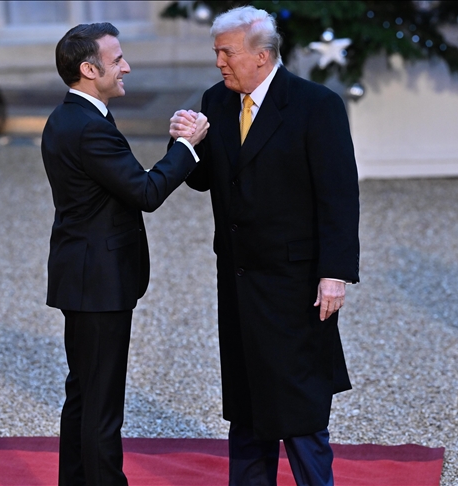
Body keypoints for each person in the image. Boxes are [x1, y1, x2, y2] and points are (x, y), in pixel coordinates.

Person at [169, 6, 360, 485]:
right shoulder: (216, 100)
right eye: (216, 52)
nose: (219, 62)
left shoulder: (317, 105)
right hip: (237, 279)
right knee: (248, 408)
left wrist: (334, 273)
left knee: (298, 410)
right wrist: (188, 146)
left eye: (226, 52)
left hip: (294, 283)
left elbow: (339, 196)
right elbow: (209, 179)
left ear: (261, 55)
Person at [42, 22, 209, 485]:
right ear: (89, 69)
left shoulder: (73, 117)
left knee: (83, 395)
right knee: (100, 407)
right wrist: (186, 146)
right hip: (98, 282)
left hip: (83, 275)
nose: (127, 66)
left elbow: (117, 182)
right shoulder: (87, 127)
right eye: (117, 60)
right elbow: (146, 191)